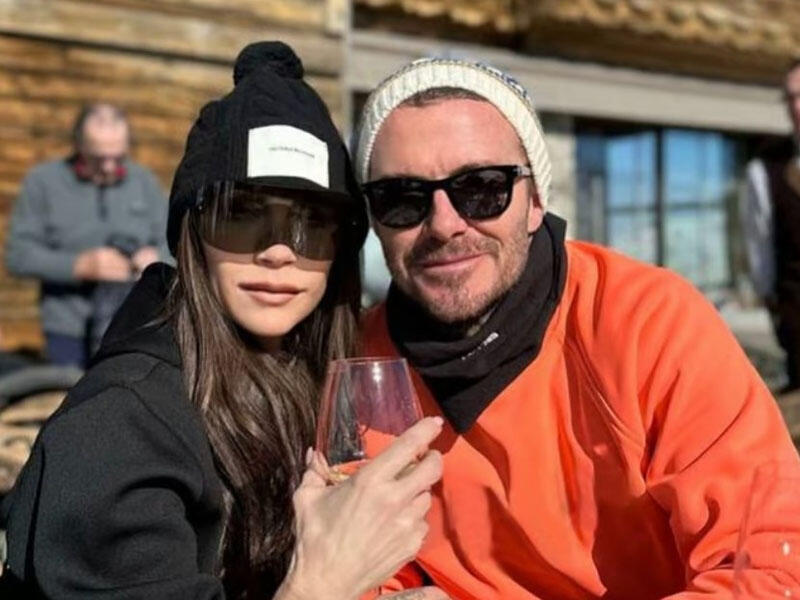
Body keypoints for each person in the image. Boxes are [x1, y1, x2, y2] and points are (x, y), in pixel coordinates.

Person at [0, 42, 447, 600]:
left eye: (313, 224)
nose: (279, 252)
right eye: (242, 216)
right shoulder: (117, 427)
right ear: (193, 235)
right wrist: (324, 583)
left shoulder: (306, 379)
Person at [353, 57, 800, 598]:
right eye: (402, 198)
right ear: (373, 219)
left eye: (482, 188)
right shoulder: (359, 369)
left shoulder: (646, 324)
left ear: (536, 201)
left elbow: (768, 567)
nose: (445, 225)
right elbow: (366, 573)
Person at [5, 102, 168, 368]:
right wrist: (79, 266)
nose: (109, 167)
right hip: (67, 329)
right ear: (79, 145)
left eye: (118, 157)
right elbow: (19, 255)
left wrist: (155, 258)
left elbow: (174, 244)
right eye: (98, 158)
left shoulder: (144, 183)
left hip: (131, 323)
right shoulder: (43, 182)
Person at [741, 59, 800, 392]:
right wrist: (773, 304)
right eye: (790, 97)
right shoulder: (765, 171)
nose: (796, 107)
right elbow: (759, 246)